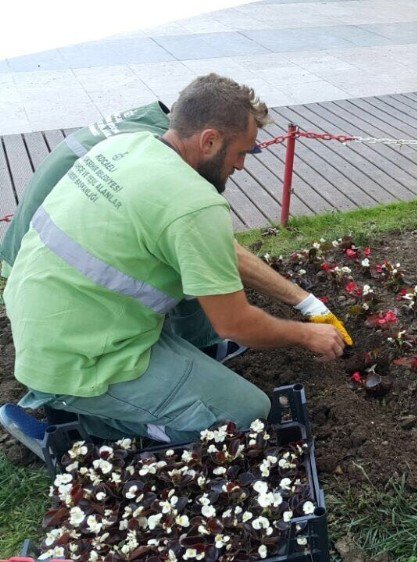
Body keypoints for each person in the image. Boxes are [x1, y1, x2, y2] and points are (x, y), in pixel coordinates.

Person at [0, 74, 346, 460]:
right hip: (79, 358)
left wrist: (305, 302)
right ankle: (78, 432)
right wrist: (304, 336)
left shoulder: (126, 145)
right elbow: (235, 323)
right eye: (241, 152)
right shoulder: (195, 204)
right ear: (210, 141)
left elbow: (219, 254)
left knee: (199, 314)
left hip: (47, 321)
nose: (242, 166)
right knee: (246, 416)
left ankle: (99, 396)